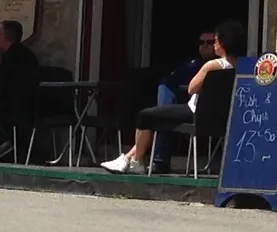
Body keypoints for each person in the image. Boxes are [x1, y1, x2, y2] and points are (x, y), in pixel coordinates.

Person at [101, 20, 246, 174]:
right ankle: (127, 158)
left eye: (215, 41)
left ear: (224, 43)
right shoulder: (242, 66)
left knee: (145, 116)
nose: (214, 45)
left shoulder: (213, 66)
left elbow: (192, 88)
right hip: (222, 118)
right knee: (158, 117)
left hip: (196, 113)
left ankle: (136, 161)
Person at [146, 28, 218, 174]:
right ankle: (147, 157)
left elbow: (191, 89)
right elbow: (172, 83)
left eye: (210, 42)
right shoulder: (191, 65)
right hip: (187, 106)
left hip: (207, 112)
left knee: (157, 115)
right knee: (164, 91)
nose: (204, 45)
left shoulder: (220, 66)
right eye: (201, 42)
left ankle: (155, 159)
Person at [0, 20, 40, 161]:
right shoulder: (26, 54)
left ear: (5, 37)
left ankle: (1, 145)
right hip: (32, 105)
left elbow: (4, 83)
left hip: (15, 107)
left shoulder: (11, 56)